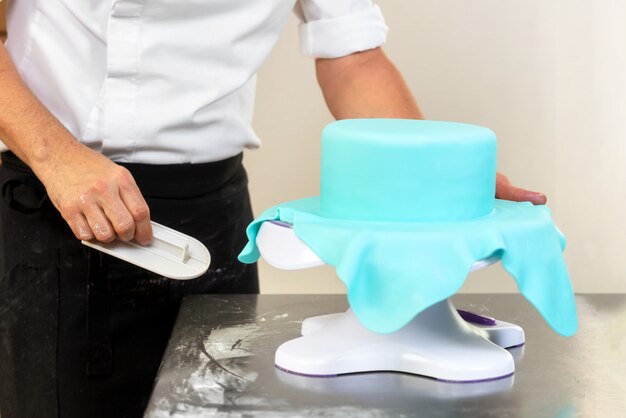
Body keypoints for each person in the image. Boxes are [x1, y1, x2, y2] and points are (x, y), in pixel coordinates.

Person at [0, 1, 547, 417]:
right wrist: (58, 158)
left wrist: (436, 173)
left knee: (213, 403)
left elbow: (353, 57)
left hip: (213, 214)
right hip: (54, 197)